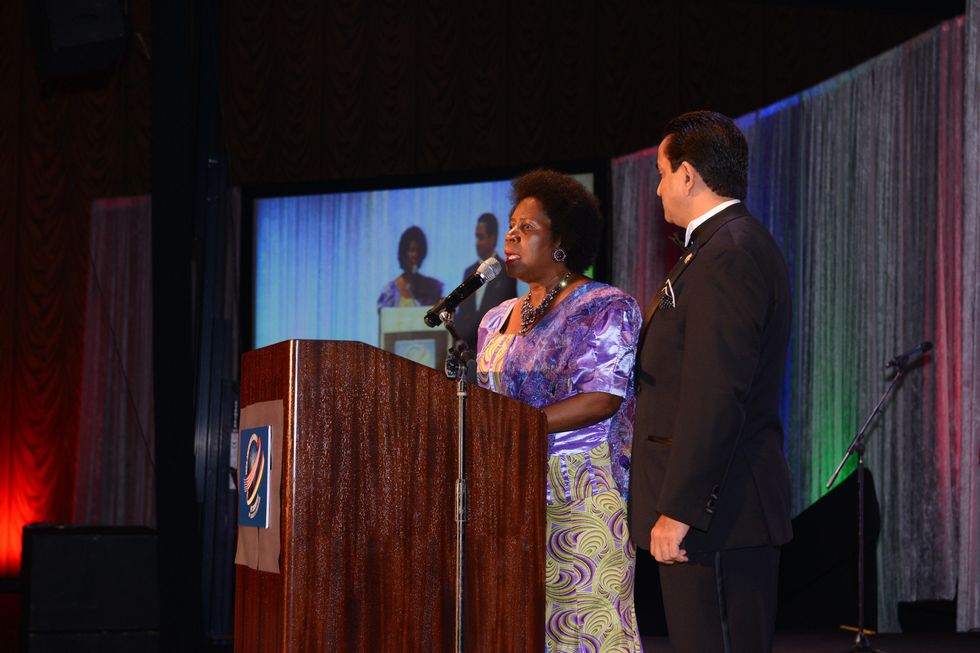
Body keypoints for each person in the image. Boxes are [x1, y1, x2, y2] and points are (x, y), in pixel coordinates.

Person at [629, 111, 792, 653]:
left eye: (660, 174)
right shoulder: (715, 247)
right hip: (715, 514)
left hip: (718, 517)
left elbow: (717, 393)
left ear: (688, 175)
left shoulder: (730, 252)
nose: (657, 190)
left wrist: (680, 508)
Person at [476, 169, 643, 653]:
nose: (510, 235)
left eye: (526, 227)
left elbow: (603, 397)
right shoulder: (494, 319)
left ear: (561, 240)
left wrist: (515, 428)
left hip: (580, 493)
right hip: (507, 495)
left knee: (583, 631)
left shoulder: (606, 306)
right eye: (511, 225)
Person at [454, 212, 517, 353]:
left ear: (492, 239)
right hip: (468, 351)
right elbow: (463, 312)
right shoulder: (469, 271)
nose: (477, 243)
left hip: (495, 349)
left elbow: (509, 313)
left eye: (480, 237)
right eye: (476, 237)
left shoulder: (506, 271)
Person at [376, 225, 444, 310]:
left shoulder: (433, 288)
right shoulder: (390, 293)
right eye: (412, 251)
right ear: (403, 253)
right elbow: (385, 317)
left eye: (419, 251)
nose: (415, 255)